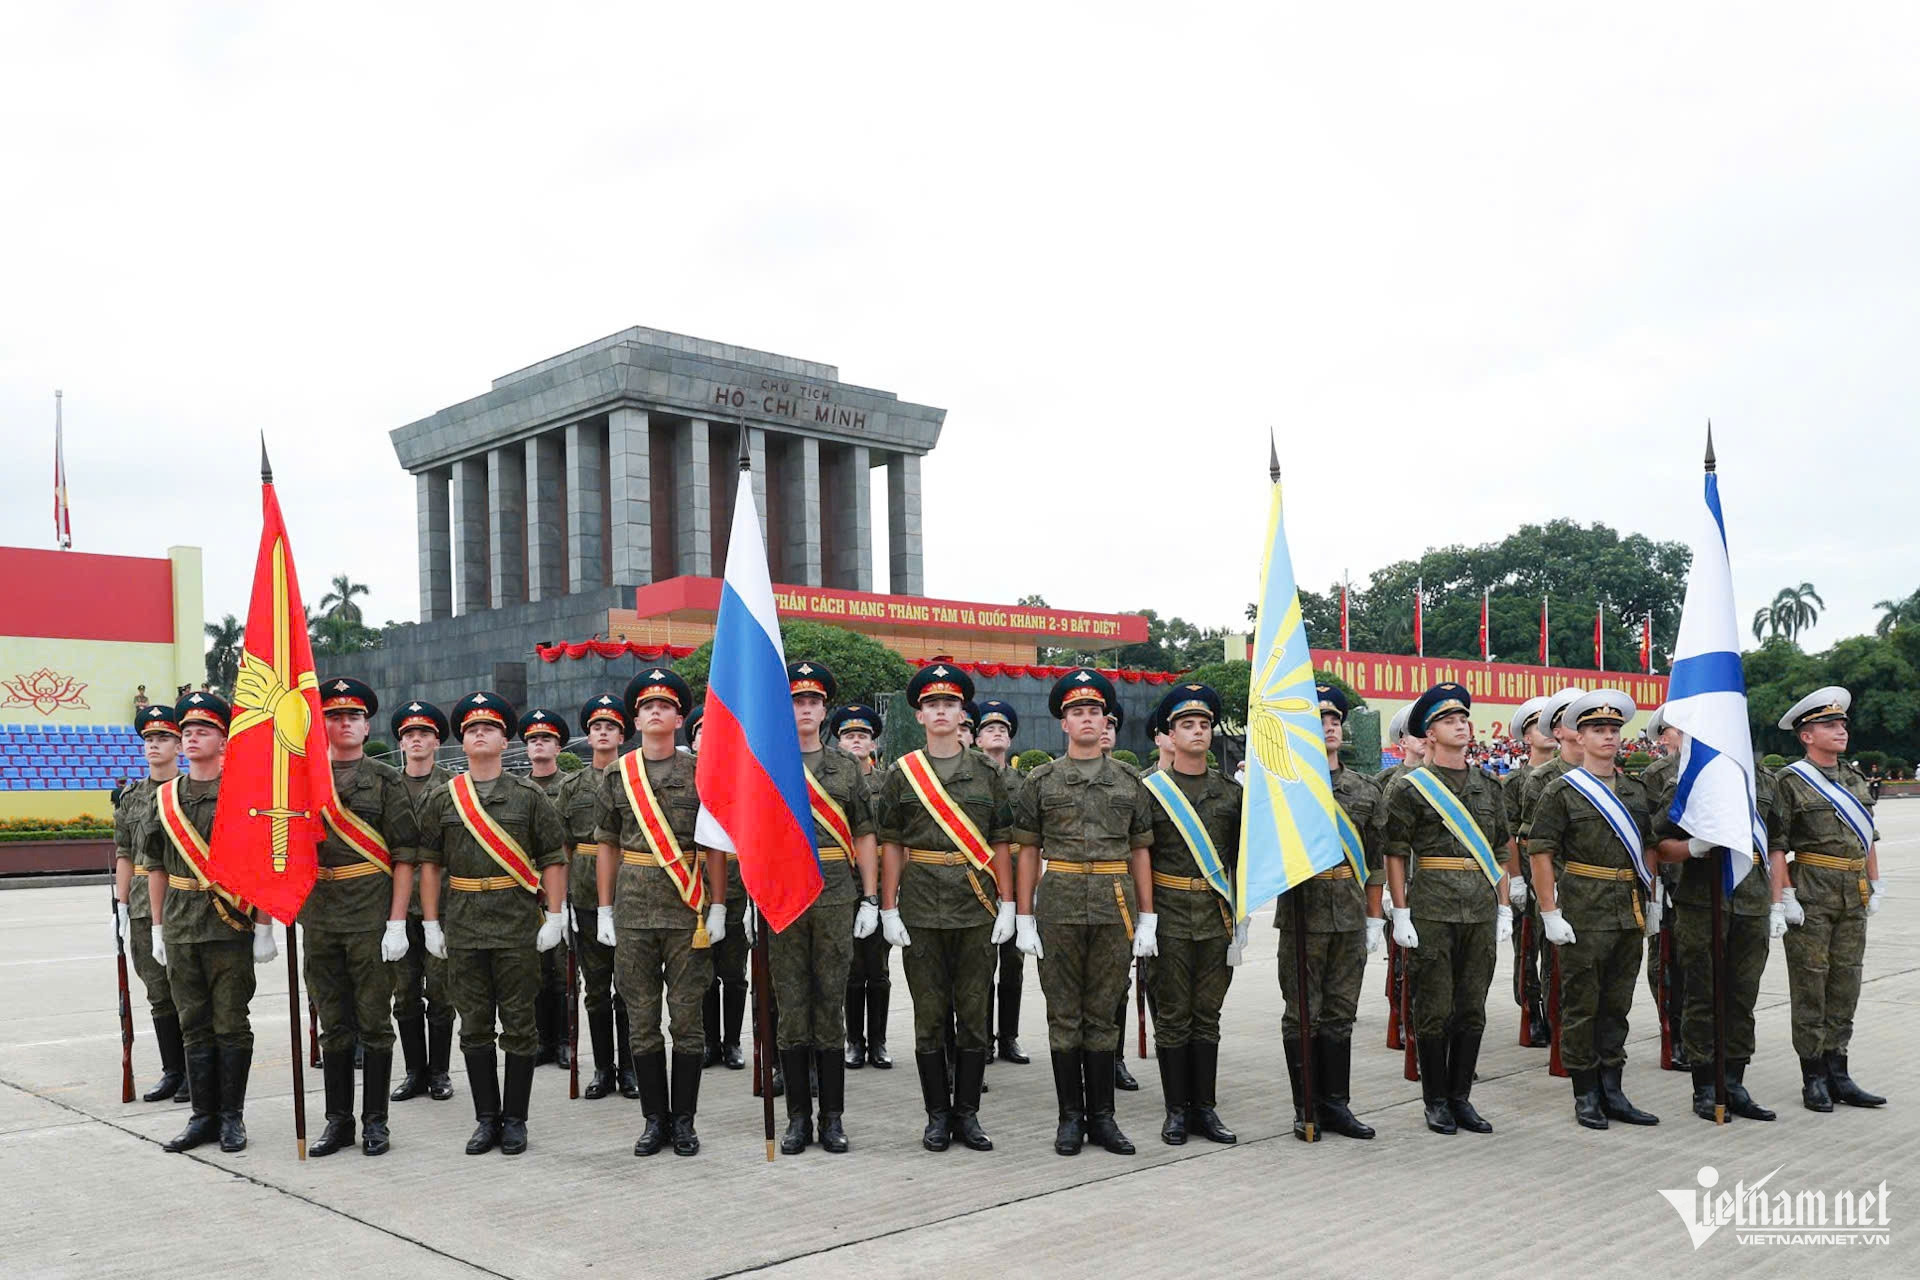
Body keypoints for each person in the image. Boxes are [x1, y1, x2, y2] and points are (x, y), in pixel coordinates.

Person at [415, 692, 570, 1155]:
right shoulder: (442, 799)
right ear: (461, 743)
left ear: (506, 740)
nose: (479, 734)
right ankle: (486, 1118)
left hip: (515, 922)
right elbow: (429, 865)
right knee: (475, 1026)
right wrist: (430, 924)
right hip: (463, 921)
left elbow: (553, 859)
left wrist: (556, 916)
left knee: (520, 1024)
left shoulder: (528, 797)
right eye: (470, 730)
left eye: (489, 728)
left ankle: (516, 1119)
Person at [1012, 668, 1154, 1156]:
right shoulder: (1040, 781)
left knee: (1103, 1013)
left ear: (1106, 721)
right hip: (1061, 901)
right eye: (1077, 712)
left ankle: (1104, 1119)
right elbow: (1028, 850)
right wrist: (1024, 916)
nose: (1087, 718)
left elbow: (1140, 850)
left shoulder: (1129, 781)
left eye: (1095, 711)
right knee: (1063, 1014)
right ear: (1064, 724)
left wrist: (1148, 915)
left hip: (1115, 902)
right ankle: (1070, 1119)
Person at [876, 664, 1015, 1152]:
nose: (941, 711)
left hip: (975, 903)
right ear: (919, 715)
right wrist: (888, 907)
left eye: (950, 704)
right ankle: (937, 1115)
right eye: (932, 705)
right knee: (930, 1015)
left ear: (962, 714)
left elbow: (1000, 839)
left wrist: (1009, 903)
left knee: (975, 1014)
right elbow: (891, 842)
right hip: (920, 905)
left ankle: (968, 1115)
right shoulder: (901, 774)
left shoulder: (986, 771)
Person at [594, 668, 729, 1156]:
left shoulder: (701, 772)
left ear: (678, 717)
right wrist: (603, 910)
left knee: (688, 1018)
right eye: (647, 706)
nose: (656, 712)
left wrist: (718, 905)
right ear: (635, 718)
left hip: (688, 911)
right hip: (632, 910)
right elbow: (606, 844)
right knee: (642, 1017)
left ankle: (685, 1121)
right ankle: (654, 1120)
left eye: (665, 706)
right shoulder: (617, 773)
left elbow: (714, 844)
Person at [141, 692, 279, 1153]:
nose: (193, 737)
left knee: (231, 1024)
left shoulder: (245, 796)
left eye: (204, 730)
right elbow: (155, 867)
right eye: (188, 732)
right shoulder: (164, 799)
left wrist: (263, 926)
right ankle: (202, 1117)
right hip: (181, 927)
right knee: (193, 1024)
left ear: (224, 740)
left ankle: (232, 1119)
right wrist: (156, 928)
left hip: (229, 927)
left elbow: (262, 865)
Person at [1380, 683, 1514, 1135]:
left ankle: (1462, 1099)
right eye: (1449, 720)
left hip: (1478, 906)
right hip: (1432, 905)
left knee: (1471, 1006)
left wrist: (1503, 907)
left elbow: (1498, 851)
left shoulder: (1488, 786)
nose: (1461, 725)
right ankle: (1435, 1100)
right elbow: (1395, 852)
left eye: (1463, 718)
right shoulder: (1412, 788)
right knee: (1433, 1007)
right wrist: (1399, 911)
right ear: (1429, 733)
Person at [1526, 690, 1660, 1129]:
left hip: (1629, 909)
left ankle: (1614, 1089)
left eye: (1613, 730)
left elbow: (1650, 848)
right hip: (1583, 906)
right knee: (1582, 1004)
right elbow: (1541, 851)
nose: (1607, 737)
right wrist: (1549, 911)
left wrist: (1654, 900)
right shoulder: (1561, 791)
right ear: (1578, 738)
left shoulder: (1637, 791)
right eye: (1597, 730)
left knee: (1617, 1004)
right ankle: (1585, 1093)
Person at [302, 678, 422, 1157]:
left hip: (371, 915)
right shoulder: (305, 778)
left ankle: (375, 1122)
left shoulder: (386, 779)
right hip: (320, 917)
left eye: (353, 716)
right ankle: (338, 1122)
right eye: (334, 716)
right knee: (333, 1024)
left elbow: (404, 855)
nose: (344, 723)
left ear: (366, 724)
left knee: (373, 1022)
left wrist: (397, 922)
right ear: (322, 724)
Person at [773, 661, 880, 1153]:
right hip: (782, 892)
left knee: (829, 1004)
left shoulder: (844, 768)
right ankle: (797, 1117)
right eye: (797, 701)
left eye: (813, 701)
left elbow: (863, 833)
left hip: (836, 889)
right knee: (792, 1006)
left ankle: (832, 1118)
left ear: (825, 710)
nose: (806, 709)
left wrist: (870, 897)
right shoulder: (768, 760)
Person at [1650, 728, 1778, 1122]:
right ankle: (1706, 1085)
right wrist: (1694, 847)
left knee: (1742, 996)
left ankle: (1735, 1082)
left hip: (1752, 899)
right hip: (1701, 899)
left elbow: (1777, 842)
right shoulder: (1688, 780)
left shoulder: (1766, 781)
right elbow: (1659, 844)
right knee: (1703, 994)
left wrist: (1779, 900)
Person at [1770, 687, 1887, 1111]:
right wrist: (1782, 897)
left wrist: (1876, 883)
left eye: (1841, 724)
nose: (1841, 731)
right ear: (1806, 735)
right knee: (1810, 985)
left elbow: (1867, 836)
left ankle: (1840, 1071)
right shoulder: (1789, 781)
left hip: (1852, 894)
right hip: (1811, 893)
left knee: (1846, 984)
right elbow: (1777, 845)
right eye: (1829, 725)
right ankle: (1813, 1076)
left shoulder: (1854, 778)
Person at [1137, 682, 1244, 1145]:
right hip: (1169, 913)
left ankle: (1206, 1109)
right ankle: (1176, 1110)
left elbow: (1240, 856)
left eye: (1204, 724)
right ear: (1168, 734)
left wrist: (1241, 914)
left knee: (1208, 1016)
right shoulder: (1150, 791)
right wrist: (1145, 918)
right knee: (1174, 1016)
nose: (1197, 731)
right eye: (1187, 725)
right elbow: (1137, 854)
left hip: (1216, 914)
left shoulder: (1230, 792)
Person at [1276, 683, 1380, 1140]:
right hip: (1304, 912)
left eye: (1335, 720)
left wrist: (1375, 917)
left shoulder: (1363, 788)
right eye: (1320, 720)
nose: (1330, 727)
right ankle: (1306, 1106)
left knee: (1341, 1011)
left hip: (1350, 912)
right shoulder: (1287, 788)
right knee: (1304, 1013)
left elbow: (1374, 861)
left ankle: (1337, 1104)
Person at [567, 693, 639, 1101]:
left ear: (622, 735)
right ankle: (602, 1069)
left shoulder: (634, 778)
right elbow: (561, 847)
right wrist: (558, 908)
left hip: (628, 893)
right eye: (596, 727)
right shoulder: (572, 785)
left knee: (627, 987)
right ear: (588, 734)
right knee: (594, 989)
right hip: (585, 896)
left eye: (610, 727)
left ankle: (629, 1068)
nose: (602, 733)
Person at [114, 704, 187, 1104]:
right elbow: (125, 853)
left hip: (183, 900)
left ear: (179, 744)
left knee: (189, 992)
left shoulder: (190, 792)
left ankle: (197, 1072)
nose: (154, 746)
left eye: (163, 738)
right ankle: (173, 1071)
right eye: (149, 740)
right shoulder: (131, 798)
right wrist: (120, 906)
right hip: (143, 906)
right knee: (158, 992)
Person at [388, 699, 457, 1102]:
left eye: (424, 734)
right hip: (396, 907)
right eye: (410, 735)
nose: (417, 740)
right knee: (405, 993)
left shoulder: (452, 788)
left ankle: (440, 1073)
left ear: (436, 742)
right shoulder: (387, 786)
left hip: (443, 906)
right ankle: (414, 1072)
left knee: (442, 992)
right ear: (401, 743)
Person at [834, 702, 895, 1071]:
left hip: (880, 883)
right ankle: (854, 1041)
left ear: (873, 744)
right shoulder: (833, 780)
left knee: (879, 968)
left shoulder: (887, 782)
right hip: (841, 882)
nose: (856, 740)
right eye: (848, 735)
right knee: (851, 969)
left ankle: (880, 1041)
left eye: (862, 735)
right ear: (838, 742)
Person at [974, 699, 1030, 1066]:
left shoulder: (1023, 783)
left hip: (1013, 871)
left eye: (1003, 730)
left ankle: (1008, 1036)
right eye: (990, 729)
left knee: (1012, 964)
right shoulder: (972, 778)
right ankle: (983, 1040)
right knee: (979, 967)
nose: (998, 733)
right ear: (977, 739)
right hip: (978, 878)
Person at [518, 707, 575, 1071]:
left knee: (564, 970)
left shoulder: (571, 786)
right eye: (533, 739)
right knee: (533, 970)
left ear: (558, 747)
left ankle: (566, 1041)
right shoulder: (517, 789)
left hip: (563, 888)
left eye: (547, 739)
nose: (539, 744)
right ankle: (541, 1040)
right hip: (525, 889)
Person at [1502, 695, 1553, 1048]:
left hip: (1558, 871)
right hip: (1526, 871)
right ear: (1525, 736)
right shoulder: (1514, 783)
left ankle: (1555, 1011)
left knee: (1556, 949)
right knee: (1528, 948)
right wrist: (1516, 878)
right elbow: (1506, 836)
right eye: (1539, 725)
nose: (1547, 731)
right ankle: (1532, 1011)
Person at [1639, 705, 1687, 1068]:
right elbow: (1649, 834)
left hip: (1706, 884)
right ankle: (1673, 1032)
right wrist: (1654, 889)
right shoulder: (1656, 775)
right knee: (1667, 964)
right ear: (1663, 737)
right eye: (1676, 729)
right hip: (1670, 883)